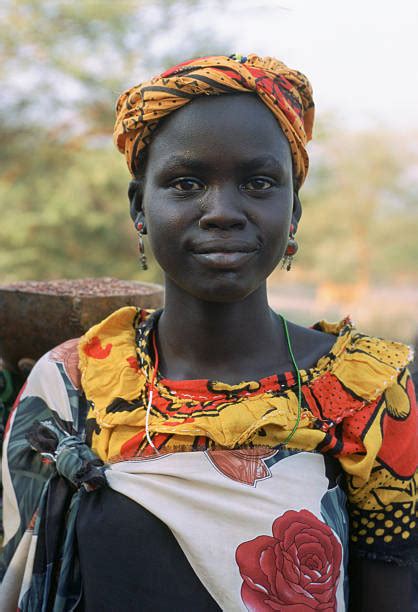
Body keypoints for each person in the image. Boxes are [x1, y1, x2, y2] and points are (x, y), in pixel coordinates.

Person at [0, 54, 416, 612]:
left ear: (292, 211)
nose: (222, 211)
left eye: (258, 182)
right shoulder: (74, 384)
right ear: (139, 207)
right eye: (187, 182)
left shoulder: (367, 394)